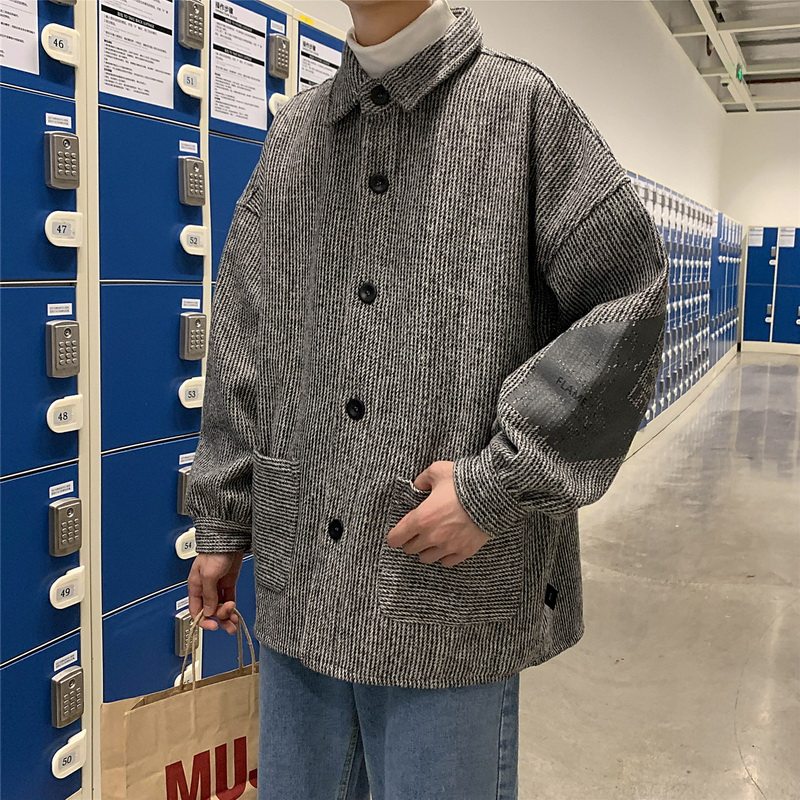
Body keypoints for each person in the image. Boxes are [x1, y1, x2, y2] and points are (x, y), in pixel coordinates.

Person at [185, 1, 668, 797]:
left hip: (446, 596)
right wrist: (225, 519)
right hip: (302, 581)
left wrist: (494, 488)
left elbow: (629, 298)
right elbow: (245, 331)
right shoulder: (295, 136)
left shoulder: (522, 114)